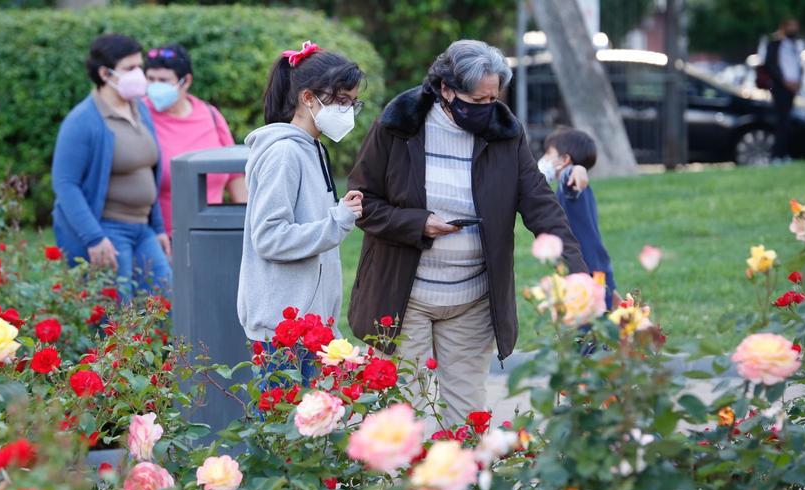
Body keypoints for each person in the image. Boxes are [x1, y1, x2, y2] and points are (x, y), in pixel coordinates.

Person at [347, 39, 588, 426]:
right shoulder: (399, 125)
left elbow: (541, 205)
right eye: (477, 102)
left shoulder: (506, 134)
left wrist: (577, 270)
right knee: (399, 418)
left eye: (493, 100)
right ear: (445, 89)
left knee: (467, 419)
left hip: (471, 299)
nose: (486, 110)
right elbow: (362, 203)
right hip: (403, 296)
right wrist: (418, 223)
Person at [236, 41, 365, 380]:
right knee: (283, 430)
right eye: (340, 101)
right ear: (308, 98)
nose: (348, 111)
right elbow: (270, 238)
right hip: (283, 333)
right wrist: (337, 221)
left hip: (311, 327)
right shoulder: (284, 154)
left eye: (353, 103)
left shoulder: (313, 149)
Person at [52, 34, 171, 297]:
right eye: (130, 68)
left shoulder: (140, 110)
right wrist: (94, 238)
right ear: (105, 73)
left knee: (166, 300)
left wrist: (159, 228)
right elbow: (65, 184)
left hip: (143, 229)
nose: (139, 74)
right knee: (117, 316)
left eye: (140, 66)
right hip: (109, 230)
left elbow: (149, 174)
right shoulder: (83, 120)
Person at [144, 43, 247, 238]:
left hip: (212, 236)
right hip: (161, 241)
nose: (155, 86)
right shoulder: (139, 115)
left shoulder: (210, 116)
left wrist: (248, 227)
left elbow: (235, 176)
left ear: (186, 81)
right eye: (150, 79)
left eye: (164, 80)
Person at [538, 127, 620, 310]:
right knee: (599, 329)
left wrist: (577, 169)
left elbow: (571, 174)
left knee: (584, 333)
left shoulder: (571, 185)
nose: (544, 158)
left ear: (565, 159)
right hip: (597, 267)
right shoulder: (578, 190)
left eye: (549, 153)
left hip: (584, 272)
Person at [764, 18, 803, 162]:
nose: (794, 29)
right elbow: (770, 65)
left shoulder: (795, 45)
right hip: (780, 88)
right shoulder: (775, 44)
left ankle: (784, 153)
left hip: (792, 88)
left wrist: (798, 83)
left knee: (787, 122)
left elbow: (797, 66)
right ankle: (776, 155)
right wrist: (784, 81)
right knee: (781, 121)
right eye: (791, 26)